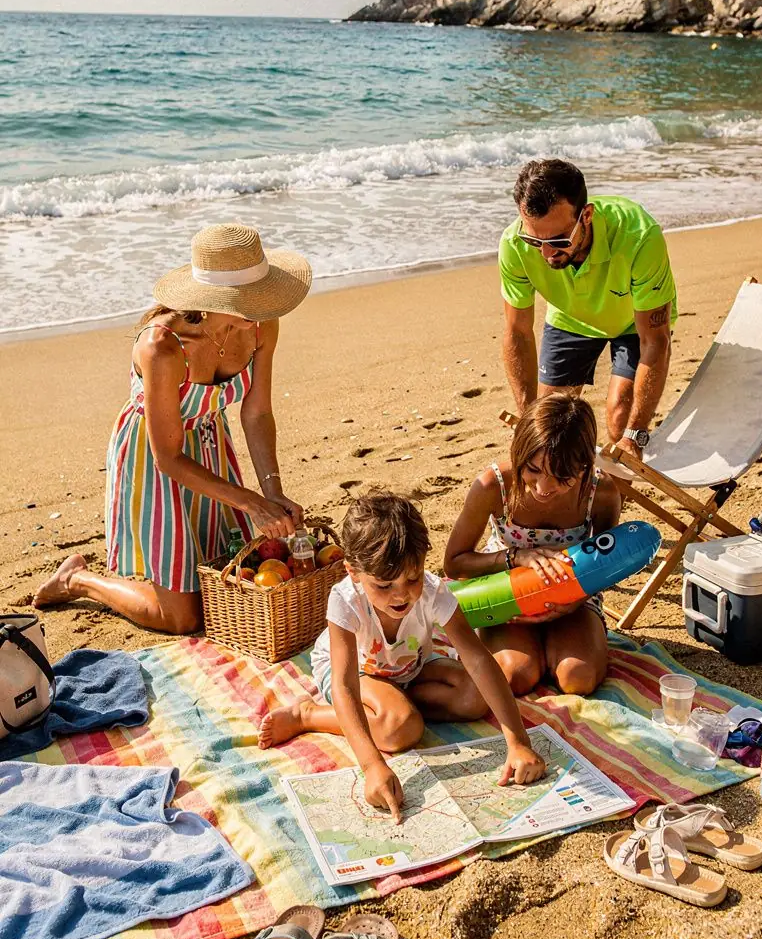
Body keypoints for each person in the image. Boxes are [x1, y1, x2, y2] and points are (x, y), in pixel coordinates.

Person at [35, 223, 311, 635]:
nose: (261, 306)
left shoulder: (259, 324)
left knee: (226, 585)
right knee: (183, 618)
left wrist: (271, 490)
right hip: (156, 460)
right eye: (249, 299)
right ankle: (79, 580)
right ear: (212, 299)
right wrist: (250, 503)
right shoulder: (161, 348)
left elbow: (256, 414)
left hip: (212, 446)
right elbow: (168, 457)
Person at [258, 491, 547, 820]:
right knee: (401, 730)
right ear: (353, 571)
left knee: (475, 697)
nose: (401, 594)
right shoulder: (345, 600)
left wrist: (518, 740)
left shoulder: (434, 591)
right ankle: (307, 715)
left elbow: (479, 660)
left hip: (409, 668)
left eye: (412, 578)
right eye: (383, 585)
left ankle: (397, 707)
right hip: (358, 674)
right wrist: (372, 766)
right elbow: (345, 685)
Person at [444, 395, 621, 697]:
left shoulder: (599, 492)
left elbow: (607, 564)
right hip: (508, 594)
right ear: (519, 454)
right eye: (534, 470)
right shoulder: (493, 486)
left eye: (563, 477)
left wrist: (575, 602)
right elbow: (455, 563)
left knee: (577, 678)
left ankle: (555, 644)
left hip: (573, 597)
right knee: (515, 676)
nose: (543, 488)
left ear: (585, 466)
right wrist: (514, 557)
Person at [500, 158, 676, 459]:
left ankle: (612, 502)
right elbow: (517, 333)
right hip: (569, 317)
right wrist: (528, 418)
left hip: (633, 321)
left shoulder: (639, 237)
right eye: (534, 240)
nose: (546, 253)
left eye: (558, 239)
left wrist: (635, 435)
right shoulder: (515, 244)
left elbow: (654, 341)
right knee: (547, 428)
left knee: (621, 417)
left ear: (587, 215)